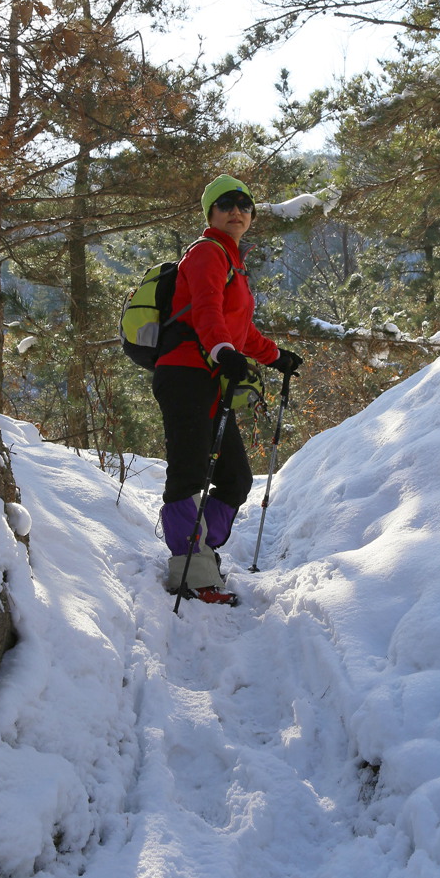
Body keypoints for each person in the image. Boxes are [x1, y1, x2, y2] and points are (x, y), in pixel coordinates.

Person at [153, 174, 303, 605]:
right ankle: (190, 573)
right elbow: (206, 310)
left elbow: (240, 327)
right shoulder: (206, 253)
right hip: (185, 373)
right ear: (210, 214)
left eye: (244, 204)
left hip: (213, 376)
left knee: (235, 479)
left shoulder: (233, 262)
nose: (237, 210)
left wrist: (275, 356)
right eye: (226, 204)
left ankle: (198, 545)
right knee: (188, 471)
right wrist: (222, 350)